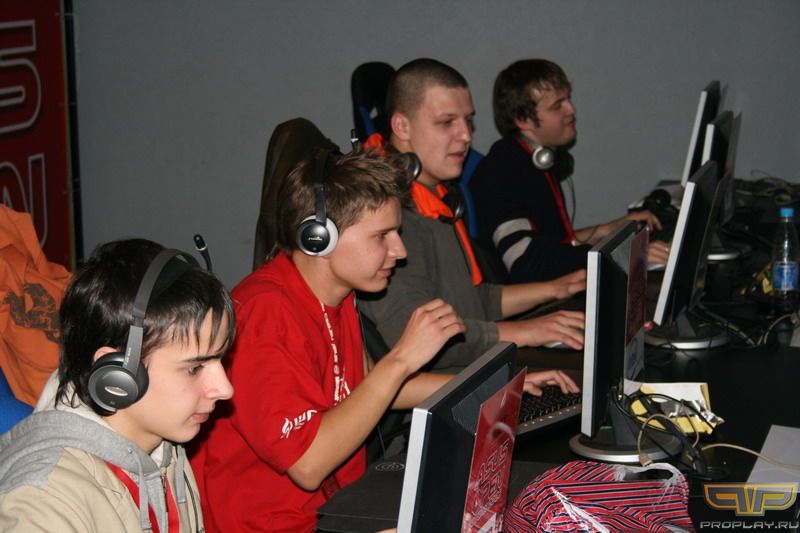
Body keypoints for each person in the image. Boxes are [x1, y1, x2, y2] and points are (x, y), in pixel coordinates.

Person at [190, 148, 578, 531]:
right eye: (381, 236)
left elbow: (372, 389)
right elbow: (307, 464)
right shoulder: (263, 315)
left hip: (338, 508)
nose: (400, 250)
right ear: (319, 239)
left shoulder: (335, 297)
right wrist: (402, 359)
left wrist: (497, 389)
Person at [358, 58, 588, 373]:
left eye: (468, 120)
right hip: (449, 390)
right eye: (446, 122)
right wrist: (525, 331)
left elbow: (473, 301)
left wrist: (557, 289)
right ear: (402, 127)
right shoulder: (390, 218)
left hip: (477, 371)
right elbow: (418, 341)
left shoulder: (439, 196)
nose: (466, 135)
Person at [0, 238, 235, 532]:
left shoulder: (163, 447)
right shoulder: (43, 506)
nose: (225, 389)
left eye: (220, 359)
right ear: (119, 375)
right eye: (194, 368)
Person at [469, 58, 670, 283]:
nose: (571, 110)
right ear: (523, 120)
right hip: (543, 300)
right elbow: (526, 262)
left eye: (568, 99)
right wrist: (621, 257)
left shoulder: (536, 161)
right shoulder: (503, 172)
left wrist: (605, 231)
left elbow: (552, 243)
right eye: (557, 106)